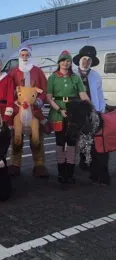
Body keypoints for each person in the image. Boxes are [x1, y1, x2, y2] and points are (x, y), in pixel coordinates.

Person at [46, 50, 90, 183]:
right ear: (59, 62)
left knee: (71, 143)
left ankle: (70, 173)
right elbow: (49, 97)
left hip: (73, 112)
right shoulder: (53, 77)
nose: (66, 63)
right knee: (60, 142)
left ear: (71, 63)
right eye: (63, 60)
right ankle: (61, 172)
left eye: (68, 61)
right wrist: (59, 109)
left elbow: (82, 94)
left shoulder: (75, 77)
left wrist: (90, 108)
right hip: (57, 112)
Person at [8, 46, 49, 177]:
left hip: (34, 111)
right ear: (19, 56)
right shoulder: (13, 72)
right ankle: (15, 164)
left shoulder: (38, 71)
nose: (25, 57)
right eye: (22, 55)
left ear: (30, 56)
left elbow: (44, 90)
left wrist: (38, 102)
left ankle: (39, 164)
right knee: (16, 139)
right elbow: (9, 91)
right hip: (18, 111)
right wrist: (15, 105)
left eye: (27, 55)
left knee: (37, 139)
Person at [73, 45, 107, 175]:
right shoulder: (74, 75)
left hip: (94, 111)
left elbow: (100, 94)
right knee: (81, 137)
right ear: (80, 60)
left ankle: (91, 160)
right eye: (84, 59)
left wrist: (101, 110)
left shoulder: (96, 76)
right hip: (79, 112)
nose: (86, 62)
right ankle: (83, 160)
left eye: (89, 60)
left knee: (92, 137)